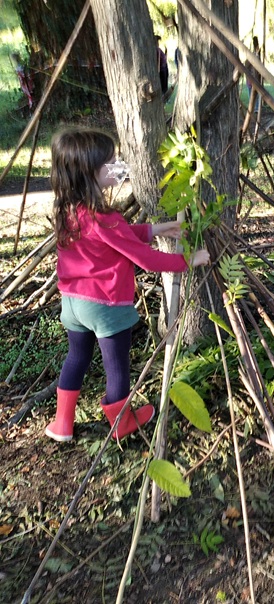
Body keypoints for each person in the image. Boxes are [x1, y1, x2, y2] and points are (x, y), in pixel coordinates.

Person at [46, 127, 211, 442]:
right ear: (91, 174)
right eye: (112, 162)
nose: (119, 165)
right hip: (106, 306)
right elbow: (146, 260)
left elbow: (113, 238)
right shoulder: (105, 217)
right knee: (116, 365)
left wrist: (158, 228)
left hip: (72, 303)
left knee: (76, 357)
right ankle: (121, 422)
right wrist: (190, 260)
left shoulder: (70, 209)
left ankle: (62, 424)